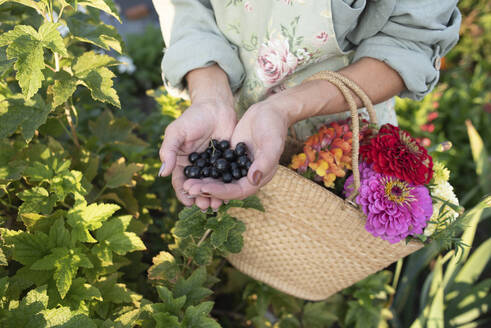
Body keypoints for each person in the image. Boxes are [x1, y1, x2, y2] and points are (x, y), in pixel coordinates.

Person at [153, 0, 461, 212]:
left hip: (337, 151)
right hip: (225, 125)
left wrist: (281, 109)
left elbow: (408, 42)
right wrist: (211, 98)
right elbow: (188, 8)